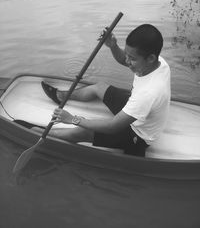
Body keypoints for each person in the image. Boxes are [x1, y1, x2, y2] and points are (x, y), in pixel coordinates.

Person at [38, 24, 171, 157]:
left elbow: (113, 126)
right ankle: (60, 96)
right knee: (99, 87)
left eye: (133, 59)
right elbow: (123, 60)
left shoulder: (148, 93)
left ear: (151, 58)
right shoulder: (158, 63)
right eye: (127, 55)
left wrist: (73, 119)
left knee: (82, 132)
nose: (127, 61)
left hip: (138, 133)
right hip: (138, 107)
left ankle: (36, 132)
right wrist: (113, 46)